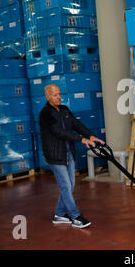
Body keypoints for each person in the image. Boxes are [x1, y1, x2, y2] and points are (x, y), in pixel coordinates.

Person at [39, 84, 105, 229]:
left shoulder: (64, 109)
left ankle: (59, 215)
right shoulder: (45, 114)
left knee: (70, 186)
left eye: (59, 94)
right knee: (66, 186)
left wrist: (91, 136)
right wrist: (81, 139)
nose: (58, 97)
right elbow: (58, 132)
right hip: (56, 155)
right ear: (47, 97)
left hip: (69, 152)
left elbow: (76, 124)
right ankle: (75, 216)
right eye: (55, 95)